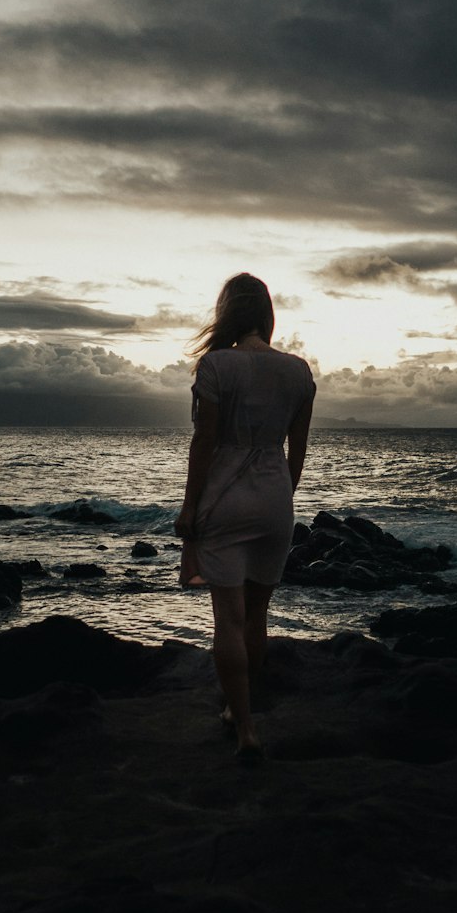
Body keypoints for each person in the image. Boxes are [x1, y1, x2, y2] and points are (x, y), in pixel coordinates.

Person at [175, 273, 315, 762]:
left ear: (228, 313)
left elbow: (204, 444)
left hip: (224, 497)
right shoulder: (299, 371)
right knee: (257, 617)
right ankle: (241, 712)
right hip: (275, 498)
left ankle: (245, 727)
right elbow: (296, 455)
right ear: (267, 315)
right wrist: (279, 494)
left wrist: (190, 507)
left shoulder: (216, 366)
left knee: (228, 621)